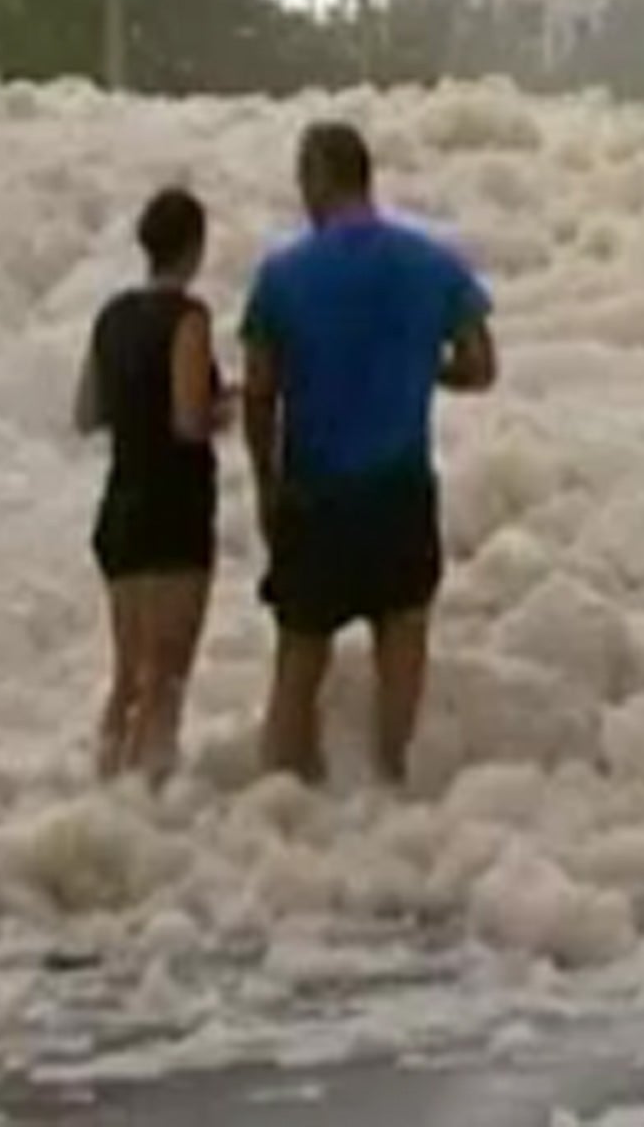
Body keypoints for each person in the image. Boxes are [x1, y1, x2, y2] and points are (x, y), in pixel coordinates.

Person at [240, 120, 497, 787]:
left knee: (299, 661)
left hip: (316, 494)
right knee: (402, 649)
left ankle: (280, 813)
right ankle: (394, 793)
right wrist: (419, 369)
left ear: (316, 179)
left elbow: (259, 396)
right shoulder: (435, 264)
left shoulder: (282, 275)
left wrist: (265, 487)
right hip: (401, 491)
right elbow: (480, 366)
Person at [75, 185, 225, 786]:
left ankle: (106, 783)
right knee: (165, 679)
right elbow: (189, 419)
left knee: (128, 676)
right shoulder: (190, 318)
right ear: (195, 247)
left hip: (120, 507)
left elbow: (86, 413)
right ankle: (147, 805)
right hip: (174, 511)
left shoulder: (111, 317)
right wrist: (231, 406)